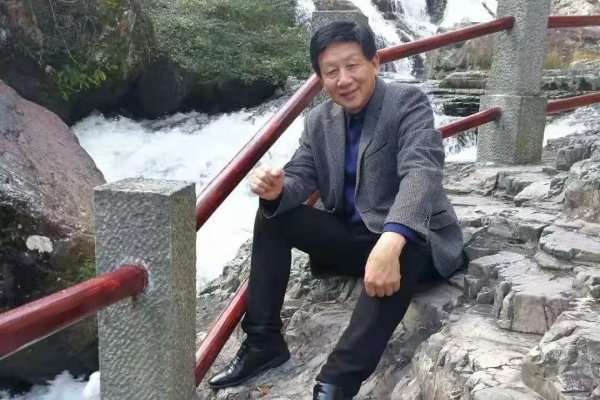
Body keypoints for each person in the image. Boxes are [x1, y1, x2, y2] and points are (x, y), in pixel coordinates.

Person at [208, 20, 465, 400]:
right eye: (331, 71)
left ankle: (335, 383)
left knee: (406, 242)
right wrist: (277, 190)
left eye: (352, 65)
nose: (343, 79)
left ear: (375, 63)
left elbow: (421, 172)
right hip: (355, 237)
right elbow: (301, 175)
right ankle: (263, 343)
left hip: (411, 243)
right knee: (273, 215)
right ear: (321, 78)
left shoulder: (406, 103)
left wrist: (391, 240)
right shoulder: (318, 121)